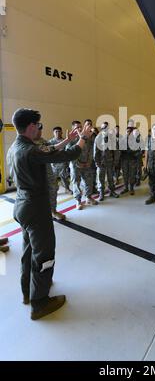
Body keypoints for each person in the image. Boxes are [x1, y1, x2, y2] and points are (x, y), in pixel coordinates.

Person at [8, 108, 92, 320]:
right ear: (30, 127)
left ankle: (27, 292)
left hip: (21, 206)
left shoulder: (17, 146)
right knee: (44, 255)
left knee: (28, 252)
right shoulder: (31, 150)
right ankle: (40, 303)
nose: (39, 128)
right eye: (37, 125)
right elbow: (69, 155)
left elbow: (47, 150)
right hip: (36, 209)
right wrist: (82, 139)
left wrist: (66, 140)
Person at [67, 120, 98, 210]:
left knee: (89, 181)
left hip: (87, 164)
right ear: (73, 128)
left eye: (80, 126)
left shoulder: (86, 137)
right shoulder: (71, 139)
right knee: (76, 183)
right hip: (75, 165)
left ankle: (88, 197)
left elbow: (91, 149)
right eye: (77, 127)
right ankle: (78, 201)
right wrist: (78, 163)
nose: (80, 128)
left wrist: (89, 161)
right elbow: (69, 153)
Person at [94, 122, 119, 201]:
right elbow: (95, 152)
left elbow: (116, 151)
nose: (105, 129)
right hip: (101, 163)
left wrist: (115, 161)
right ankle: (101, 193)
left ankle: (112, 191)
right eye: (103, 128)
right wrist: (97, 162)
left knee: (110, 178)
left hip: (110, 162)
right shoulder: (98, 138)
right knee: (100, 178)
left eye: (106, 128)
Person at [48, 126, 71, 194]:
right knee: (53, 179)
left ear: (62, 132)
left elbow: (67, 152)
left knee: (65, 178)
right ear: (53, 133)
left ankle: (67, 188)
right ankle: (54, 190)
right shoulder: (50, 142)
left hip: (63, 164)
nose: (58, 133)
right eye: (56, 132)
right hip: (54, 165)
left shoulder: (65, 141)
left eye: (59, 131)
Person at [120, 127, 138, 195]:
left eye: (129, 131)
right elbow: (120, 148)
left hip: (132, 159)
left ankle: (131, 188)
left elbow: (138, 150)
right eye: (127, 131)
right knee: (125, 174)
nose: (128, 133)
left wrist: (131, 151)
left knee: (132, 174)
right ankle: (125, 188)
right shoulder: (122, 140)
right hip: (124, 159)